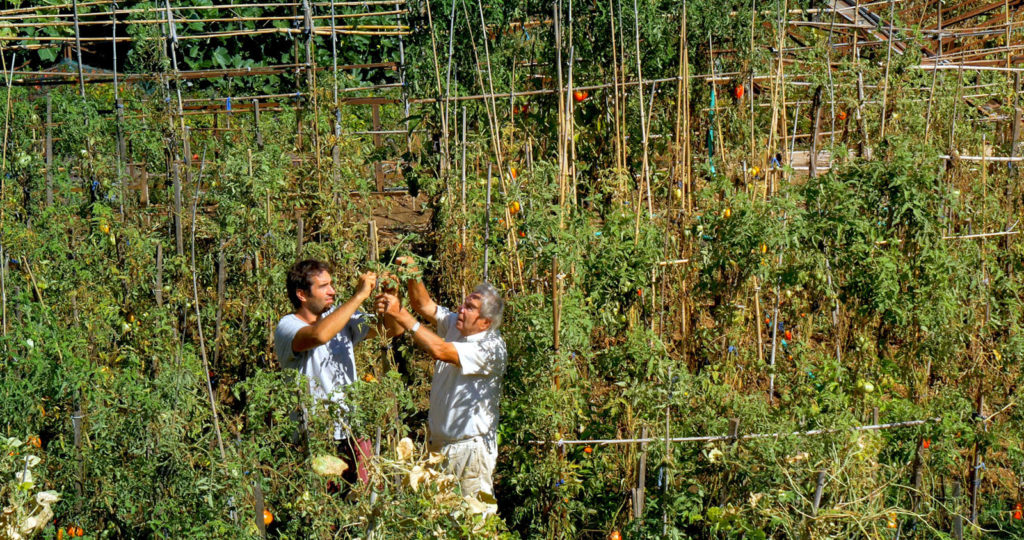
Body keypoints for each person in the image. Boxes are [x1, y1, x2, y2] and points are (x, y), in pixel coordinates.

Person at [375, 260, 507, 501]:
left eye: (470, 307)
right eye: (464, 303)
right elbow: (424, 305)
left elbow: (440, 350)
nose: (460, 309)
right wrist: (411, 271)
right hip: (442, 447)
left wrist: (399, 314)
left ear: (485, 322)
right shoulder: (461, 326)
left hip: (469, 452)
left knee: (473, 521)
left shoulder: (491, 349)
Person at [274, 259, 399, 484]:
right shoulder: (287, 326)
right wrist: (358, 297)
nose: (332, 291)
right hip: (316, 435)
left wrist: (391, 300)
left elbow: (390, 330)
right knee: (326, 509)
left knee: (363, 500)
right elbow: (319, 335)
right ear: (302, 295)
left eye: (331, 284)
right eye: (323, 287)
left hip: (353, 428)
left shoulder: (343, 317)